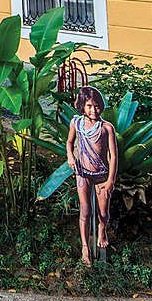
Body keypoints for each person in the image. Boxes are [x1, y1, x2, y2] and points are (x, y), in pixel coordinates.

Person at [65, 85, 119, 265]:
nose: (93, 110)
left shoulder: (106, 128)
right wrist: (70, 156)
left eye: (96, 106)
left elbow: (113, 155)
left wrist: (111, 180)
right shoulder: (76, 123)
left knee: (103, 212)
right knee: (85, 210)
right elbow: (70, 142)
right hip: (83, 173)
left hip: (102, 175)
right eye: (89, 106)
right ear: (82, 106)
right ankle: (85, 246)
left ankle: (102, 229)